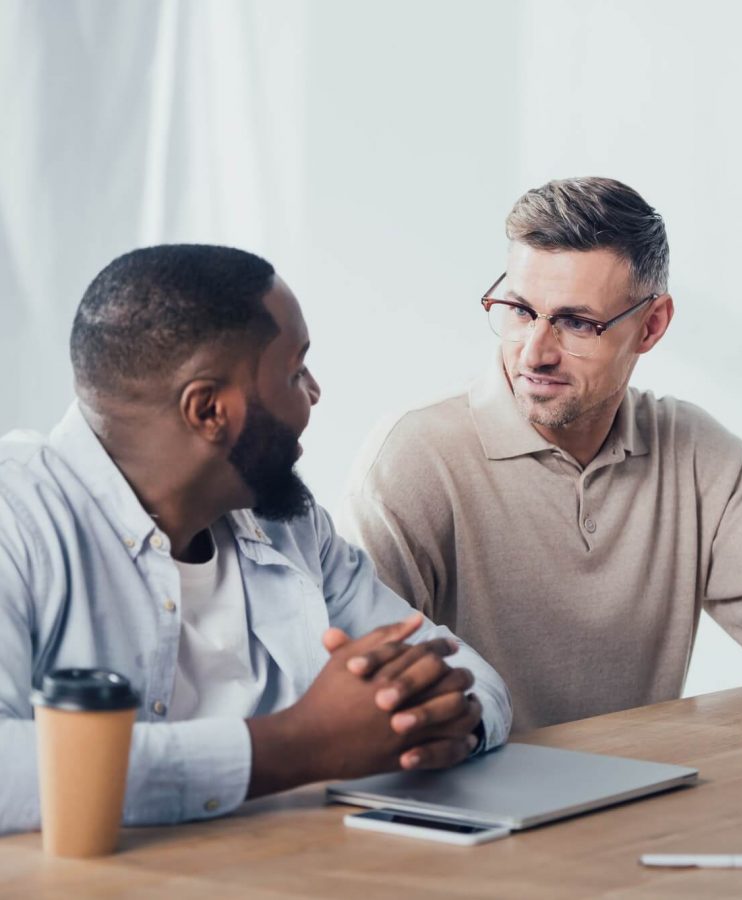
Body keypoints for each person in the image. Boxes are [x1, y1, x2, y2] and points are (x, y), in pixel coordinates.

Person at [340, 176, 742, 731]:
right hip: (470, 797)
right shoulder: (414, 458)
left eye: (576, 322)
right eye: (518, 310)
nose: (535, 352)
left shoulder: (696, 453)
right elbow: (356, 693)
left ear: (651, 325)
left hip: (639, 795)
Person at [0, 244, 511, 835]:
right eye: (295, 371)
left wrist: (449, 720)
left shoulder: (289, 524)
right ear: (209, 409)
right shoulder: (19, 522)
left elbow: (465, 672)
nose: (315, 393)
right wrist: (296, 746)